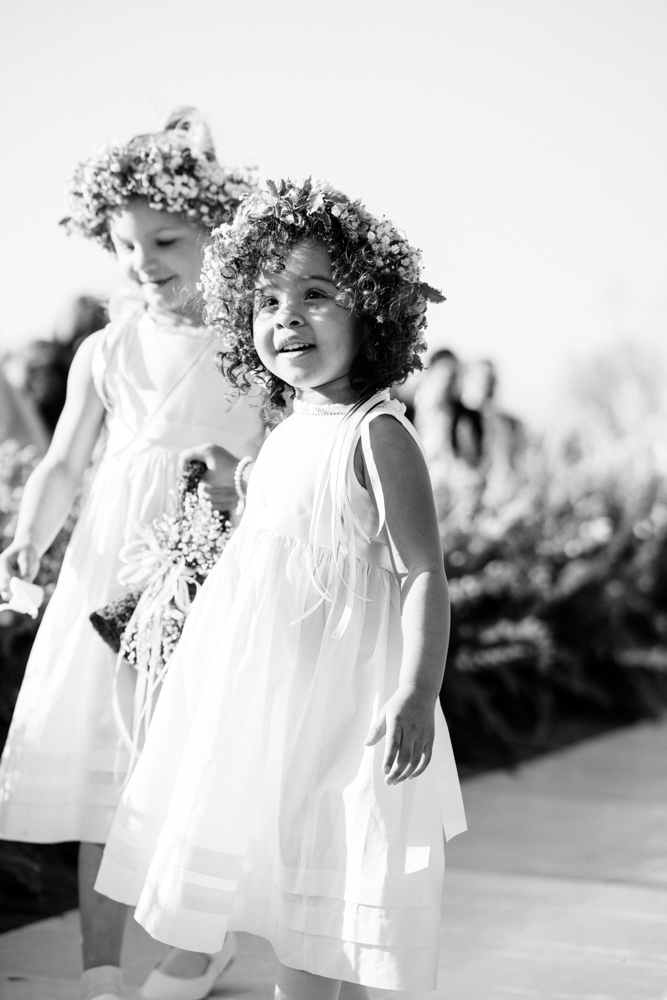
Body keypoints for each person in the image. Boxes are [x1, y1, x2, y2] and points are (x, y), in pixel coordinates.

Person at [95, 179, 466, 1000]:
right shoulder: (293, 425)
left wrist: (415, 689)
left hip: (344, 705)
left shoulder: (377, 433)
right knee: (282, 870)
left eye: (315, 294)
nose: (286, 316)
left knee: (326, 871)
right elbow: (270, 523)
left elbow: (422, 572)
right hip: (267, 696)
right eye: (265, 299)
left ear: (372, 311)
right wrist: (228, 483)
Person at [0, 109, 264, 1000]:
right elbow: (66, 459)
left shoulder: (249, 349)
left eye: (165, 239)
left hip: (206, 566)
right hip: (109, 569)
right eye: (123, 244)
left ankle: (197, 948)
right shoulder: (104, 350)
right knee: (99, 773)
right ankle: (103, 970)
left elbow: (275, 459)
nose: (143, 261)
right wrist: (28, 538)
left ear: (213, 234)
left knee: (197, 763)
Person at [413, 348, 483, 466]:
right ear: (430, 374)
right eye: (444, 377)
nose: (447, 384)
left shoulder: (465, 418)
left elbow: (473, 460)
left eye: (452, 377)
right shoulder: (406, 410)